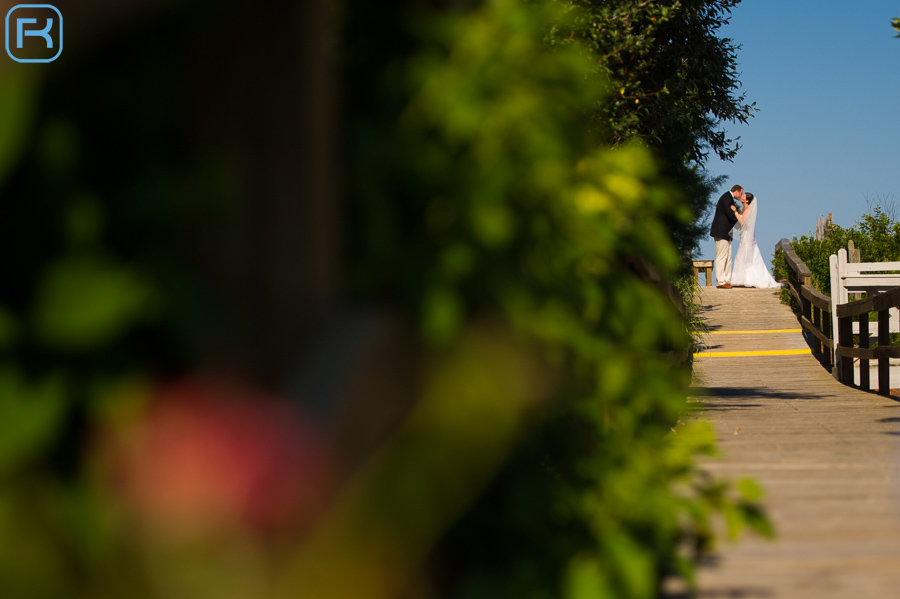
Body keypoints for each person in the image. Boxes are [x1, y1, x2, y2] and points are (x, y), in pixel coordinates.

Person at [730, 192, 782, 289]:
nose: (741, 197)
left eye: (743, 197)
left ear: (747, 201)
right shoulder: (744, 209)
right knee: (743, 255)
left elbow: (742, 222)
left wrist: (735, 212)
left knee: (747, 255)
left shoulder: (748, 209)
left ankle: (750, 279)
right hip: (744, 235)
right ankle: (742, 279)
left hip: (748, 236)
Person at [709, 184, 742, 289]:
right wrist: (739, 225)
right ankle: (721, 281)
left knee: (728, 256)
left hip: (726, 233)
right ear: (736, 191)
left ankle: (727, 279)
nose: (741, 196)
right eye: (741, 193)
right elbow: (730, 214)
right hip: (721, 231)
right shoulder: (727, 198)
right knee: (722, 256)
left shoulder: (729, 198)